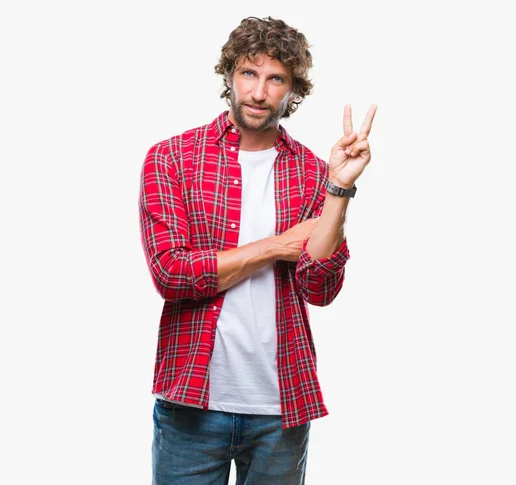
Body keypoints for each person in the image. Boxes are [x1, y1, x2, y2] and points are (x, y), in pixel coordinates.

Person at [138, 15, 377, 485]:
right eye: (249, 73)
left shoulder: (311, 172)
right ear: (229, 76)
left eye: (276, 79)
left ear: (293, 90)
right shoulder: (172, 158)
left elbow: (319, 287)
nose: (259, 92)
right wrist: (276, 246)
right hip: (192, 405)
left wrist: (337, 191)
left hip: (280, 407)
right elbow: (172, 274)